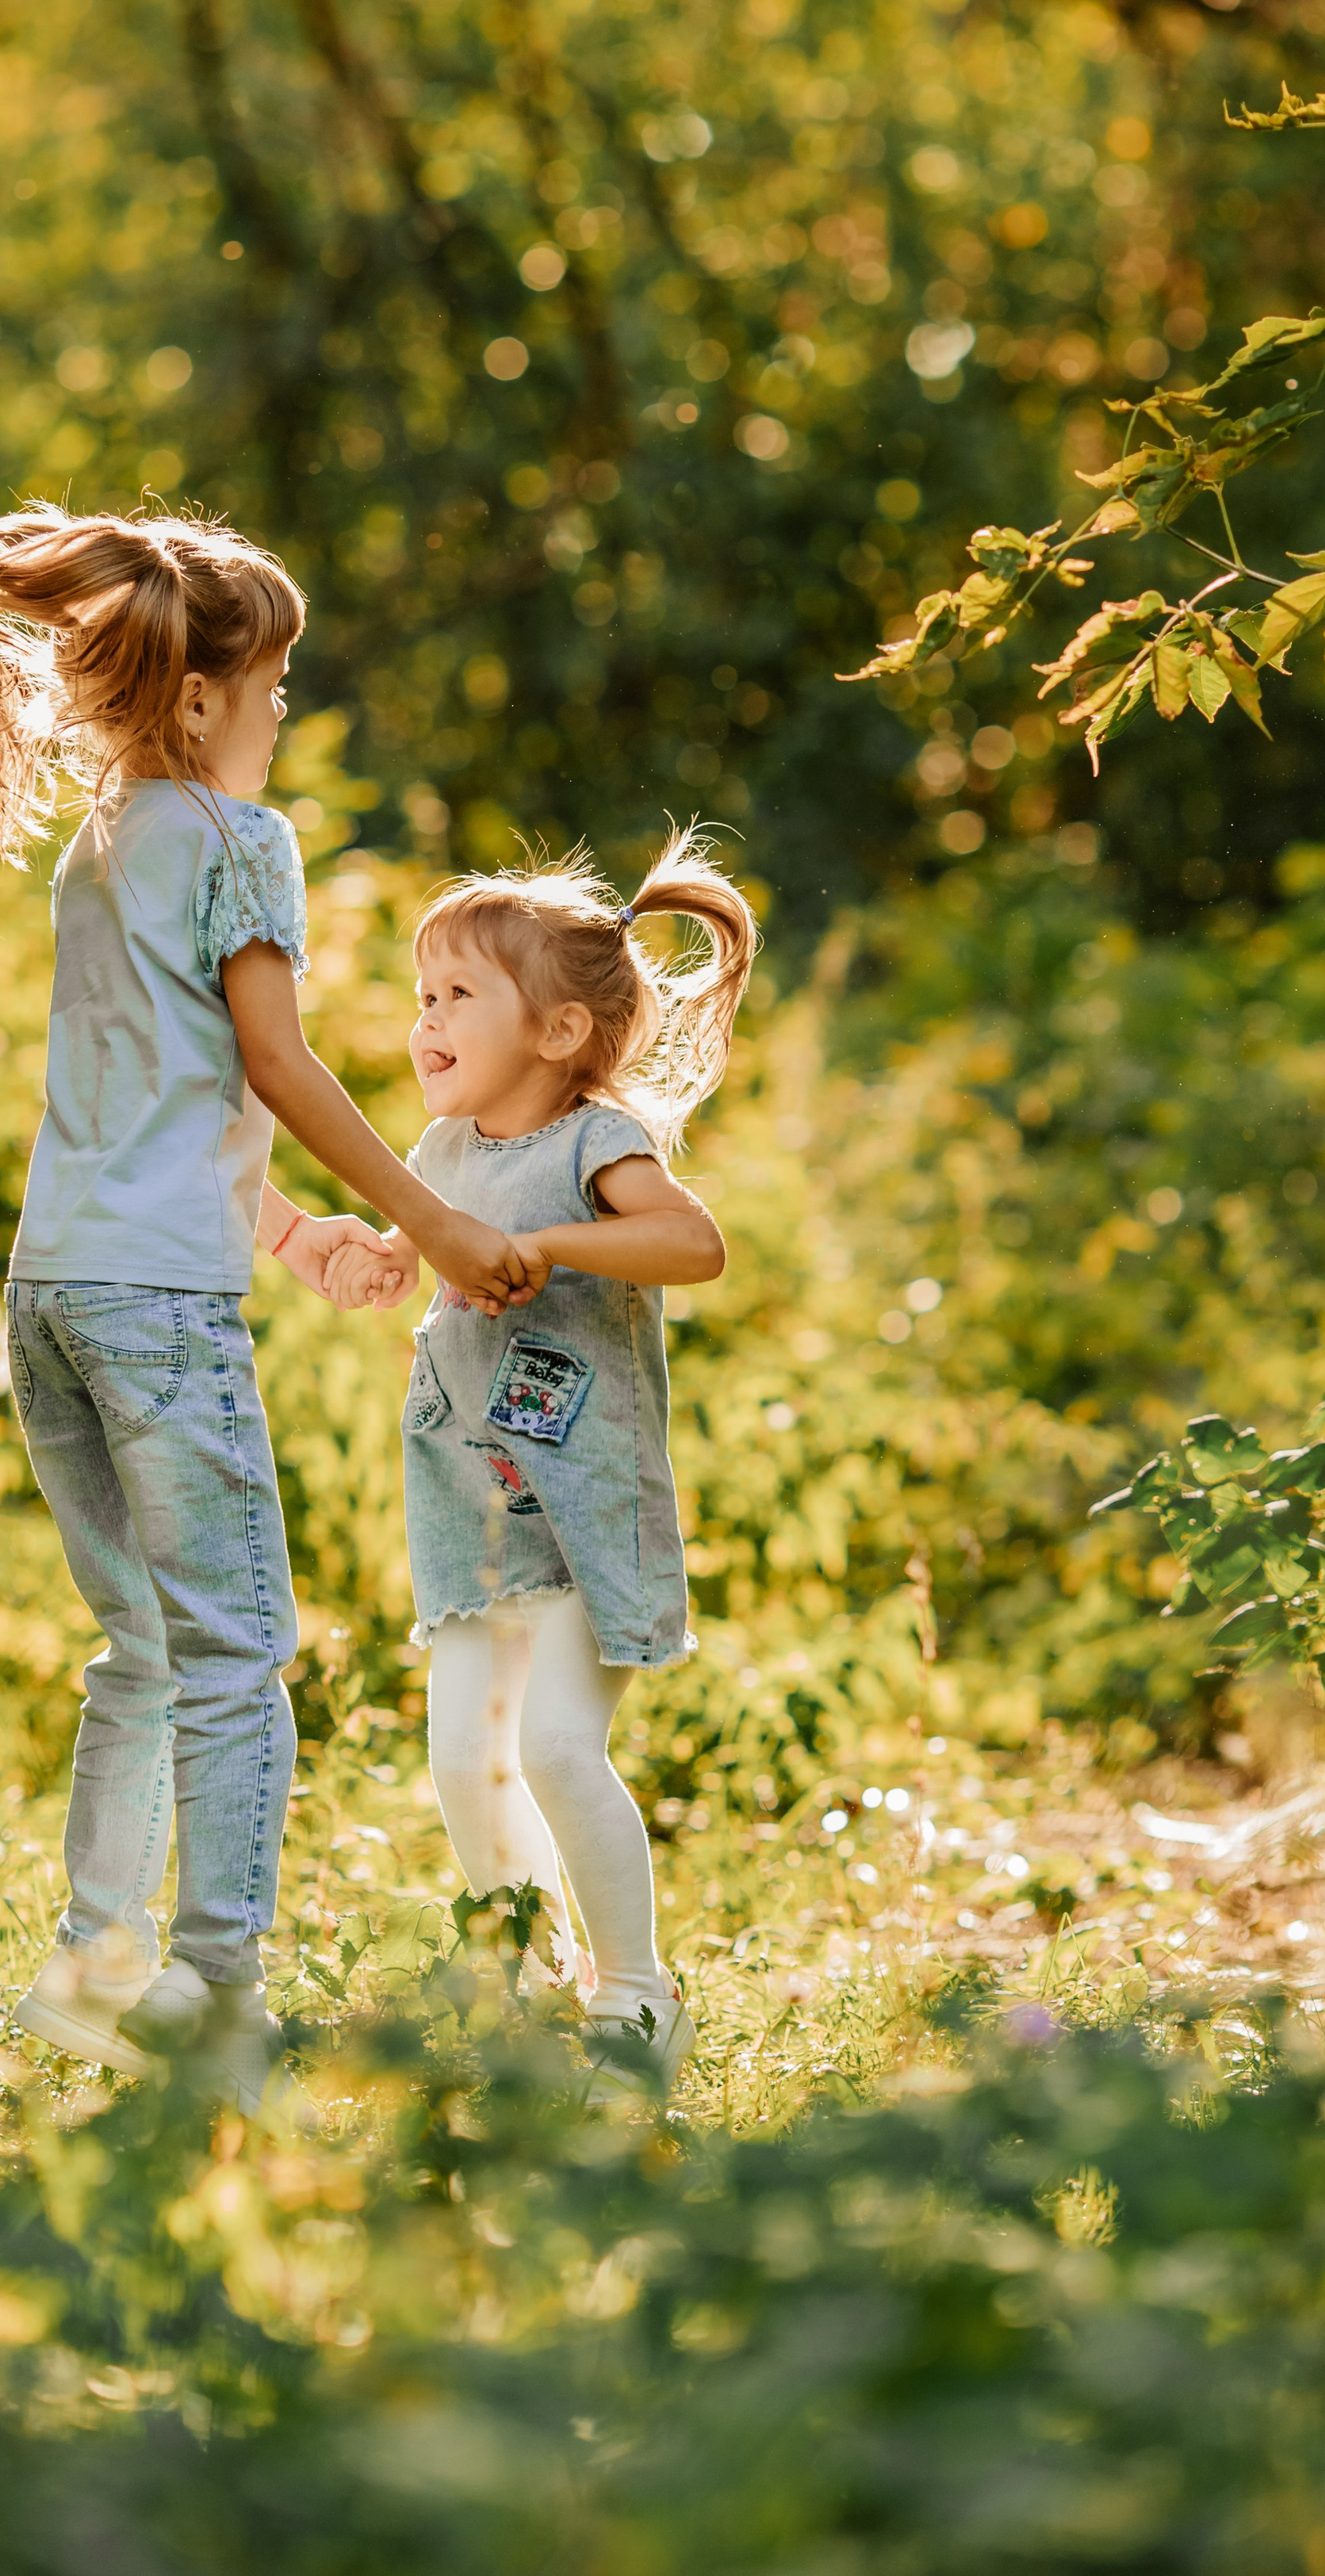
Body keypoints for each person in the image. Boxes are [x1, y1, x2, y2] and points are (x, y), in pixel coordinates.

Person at [0, 503, 531, 2102]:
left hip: (55, 1292)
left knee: (138, 1649)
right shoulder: (237, 845)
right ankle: (216, 1996)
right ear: (206, 695)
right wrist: (420, 1212)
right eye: (276, 685)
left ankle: (89, 1973)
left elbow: (153, 1105)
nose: (283, 714)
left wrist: (288, 1243)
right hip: (152, 1313)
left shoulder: (103, 844)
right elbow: (271, 1065)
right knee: (234, 1651)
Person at [326, 831, 756, 2090]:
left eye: (459, 994)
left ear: (560, 1032)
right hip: (473, 1512)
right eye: (423, 997)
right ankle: (533, 1982)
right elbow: (422, 1256)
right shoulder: (441, 1156)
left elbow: (694, 1245)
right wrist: (372, 1256)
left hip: (582, 1507)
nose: (427, 1020)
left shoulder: (595, 1141)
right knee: (466, 1759)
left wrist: (559, 1250)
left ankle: (637, 1998)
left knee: (562, 1748)